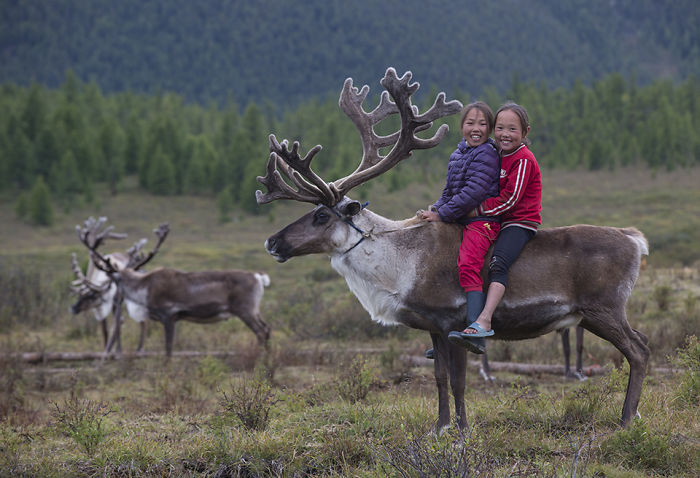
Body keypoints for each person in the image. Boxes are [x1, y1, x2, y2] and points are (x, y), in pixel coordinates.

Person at [448, 102, 542, 354]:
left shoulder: (523, 159)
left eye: (512, 129)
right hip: (499, 219)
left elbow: (510, 200)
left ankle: (484, 320)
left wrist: (476, 210)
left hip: (519, 222)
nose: (504, 134)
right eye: (500, 128)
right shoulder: (498, 153)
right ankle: (464, 326)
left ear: (525, 132)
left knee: (498, 264)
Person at [419, 101, 501, 358]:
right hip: (459, 218)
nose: (475, 129)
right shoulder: (459, 154)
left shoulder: (487, 154)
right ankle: (447, 335)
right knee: (443, 266)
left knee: (467, 264)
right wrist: (435, 208)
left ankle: (476, 334)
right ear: (461, 126)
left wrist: (442, 214)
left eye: (482, 124)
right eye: (470, 123)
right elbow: (450, 191)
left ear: (490, 129)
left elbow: (473, 192)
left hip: (481, 221)